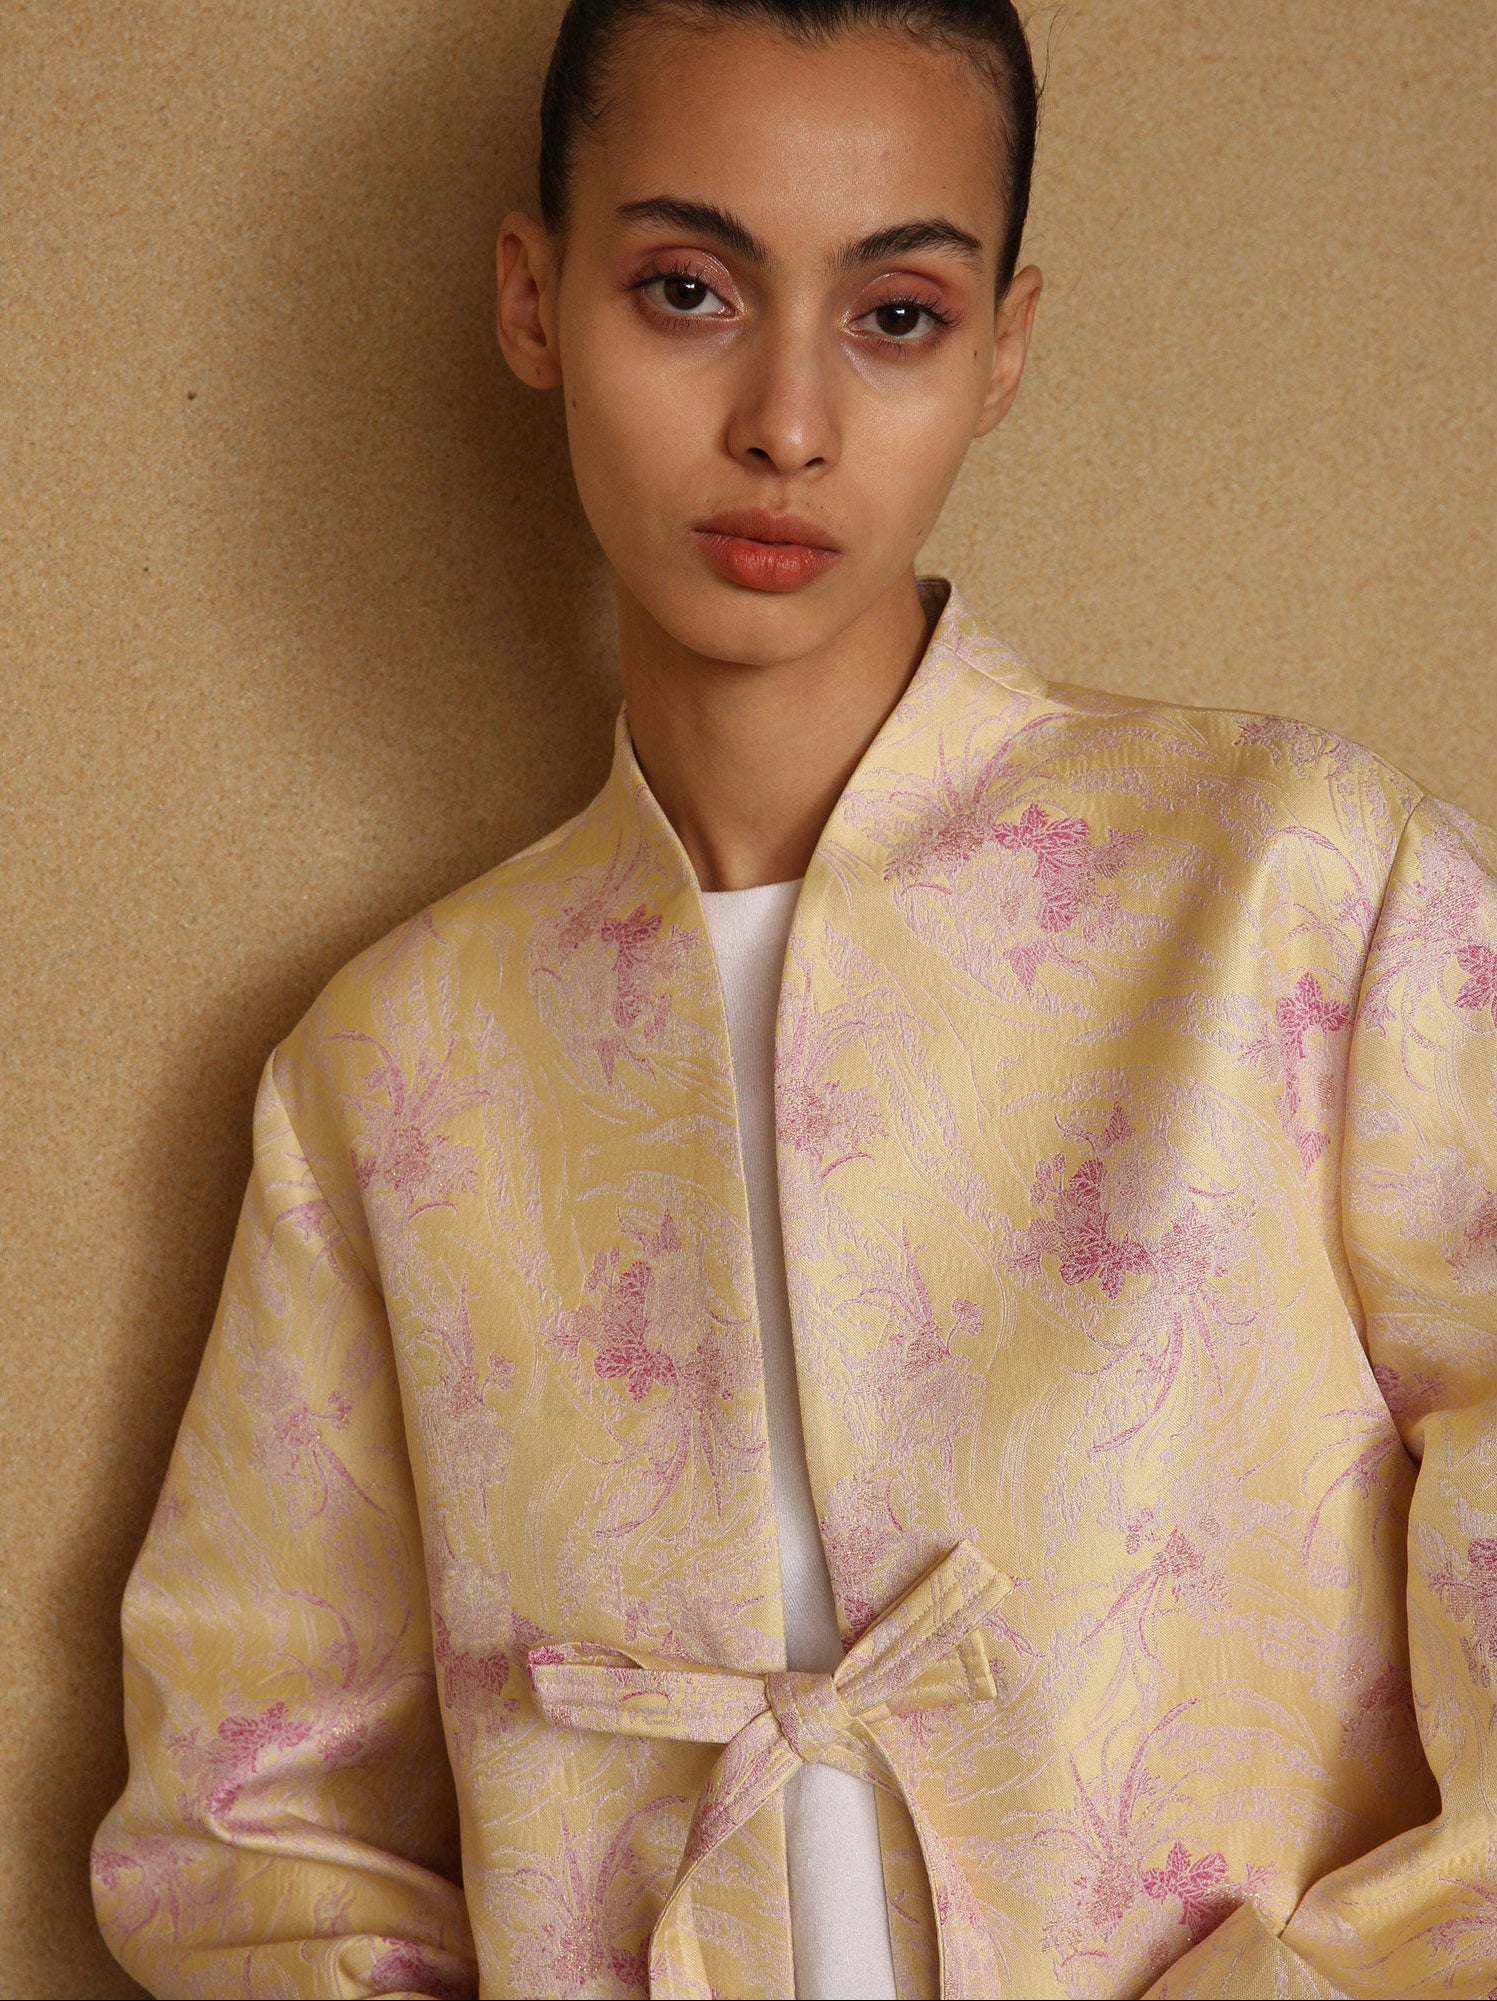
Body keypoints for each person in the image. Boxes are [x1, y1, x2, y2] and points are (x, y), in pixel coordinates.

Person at [92, 3, 1497, 1997]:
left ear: (1002, 344)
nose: (784, 417)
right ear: (530, 297)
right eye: (685, 289)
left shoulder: (1293, 886)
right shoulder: (393, 1070)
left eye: (895, 315)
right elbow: (239, 1822)